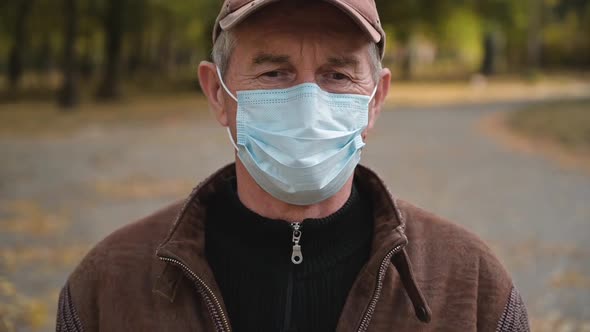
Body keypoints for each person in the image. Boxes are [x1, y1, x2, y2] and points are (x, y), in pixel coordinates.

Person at [56, 0, 530, 331]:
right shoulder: (110, 286)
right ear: (219, 94)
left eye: (337, 74)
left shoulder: (468, 287)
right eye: (274, 73)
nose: (309, 102)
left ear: (375, 99)